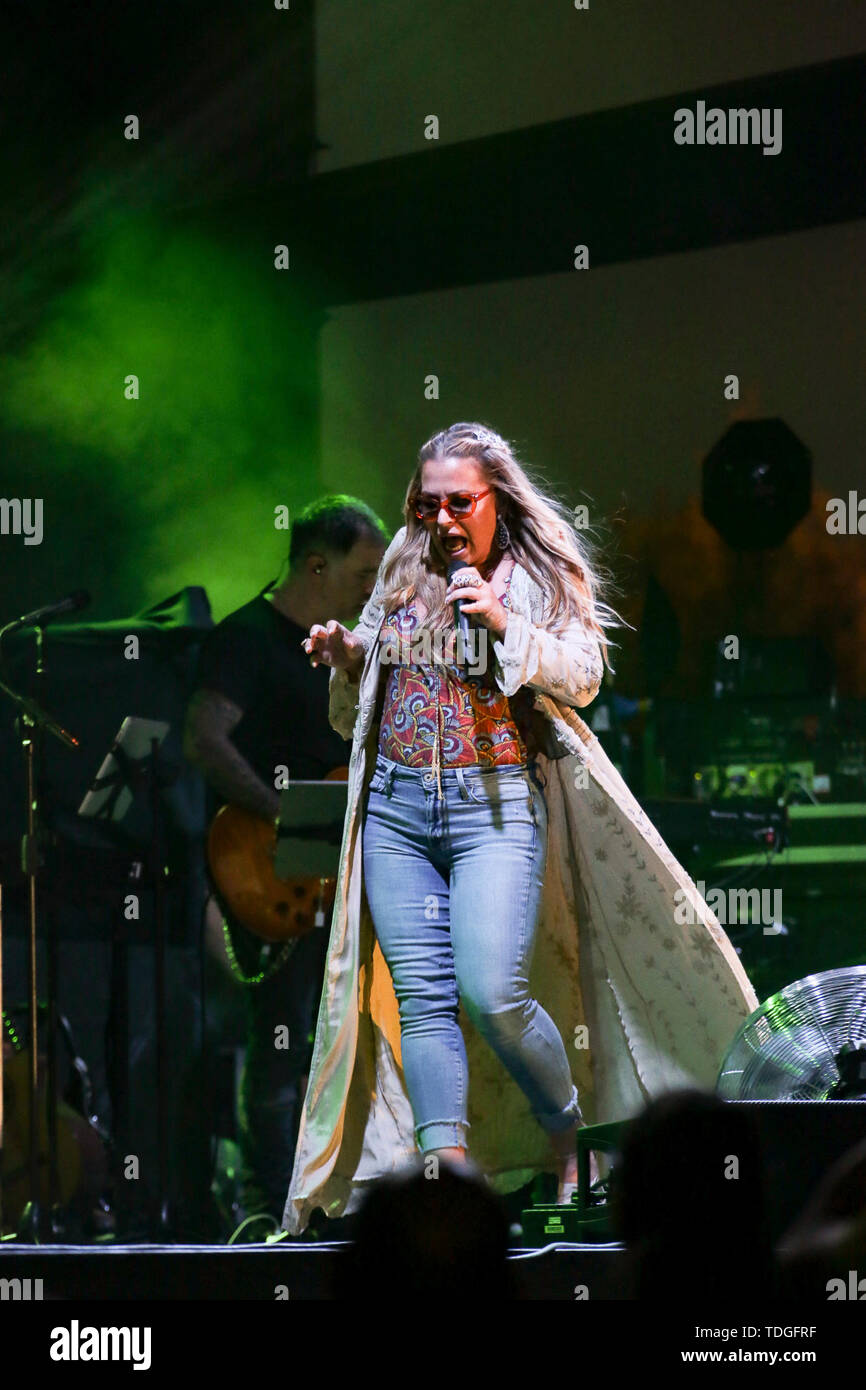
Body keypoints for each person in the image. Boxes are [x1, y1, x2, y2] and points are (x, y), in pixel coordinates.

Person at [283, 423, 760, 1236]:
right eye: (426, 504)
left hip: (493, 806)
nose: (440, 521)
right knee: (423, 1001)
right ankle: (447, 1184)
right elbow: (374, 679)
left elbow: (584, 674)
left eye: (458, 503)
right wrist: (349, 655)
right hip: (397, 810)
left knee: (492, 993)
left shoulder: (539, 567)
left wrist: (507, 623)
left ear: (495, 497)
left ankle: (567, 1130)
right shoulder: (402, 560)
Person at [183, 496, 387, 1226]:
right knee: (279, 1035)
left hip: (336, 871)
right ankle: (268, 1209)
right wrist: (280, 813)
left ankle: (335, 1200)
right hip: (271, 871)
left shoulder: (351, 652)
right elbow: (203, 738)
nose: (374, 589)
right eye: (363, 574)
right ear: (316, 565)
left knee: (338, 1039)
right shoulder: (246, 639)